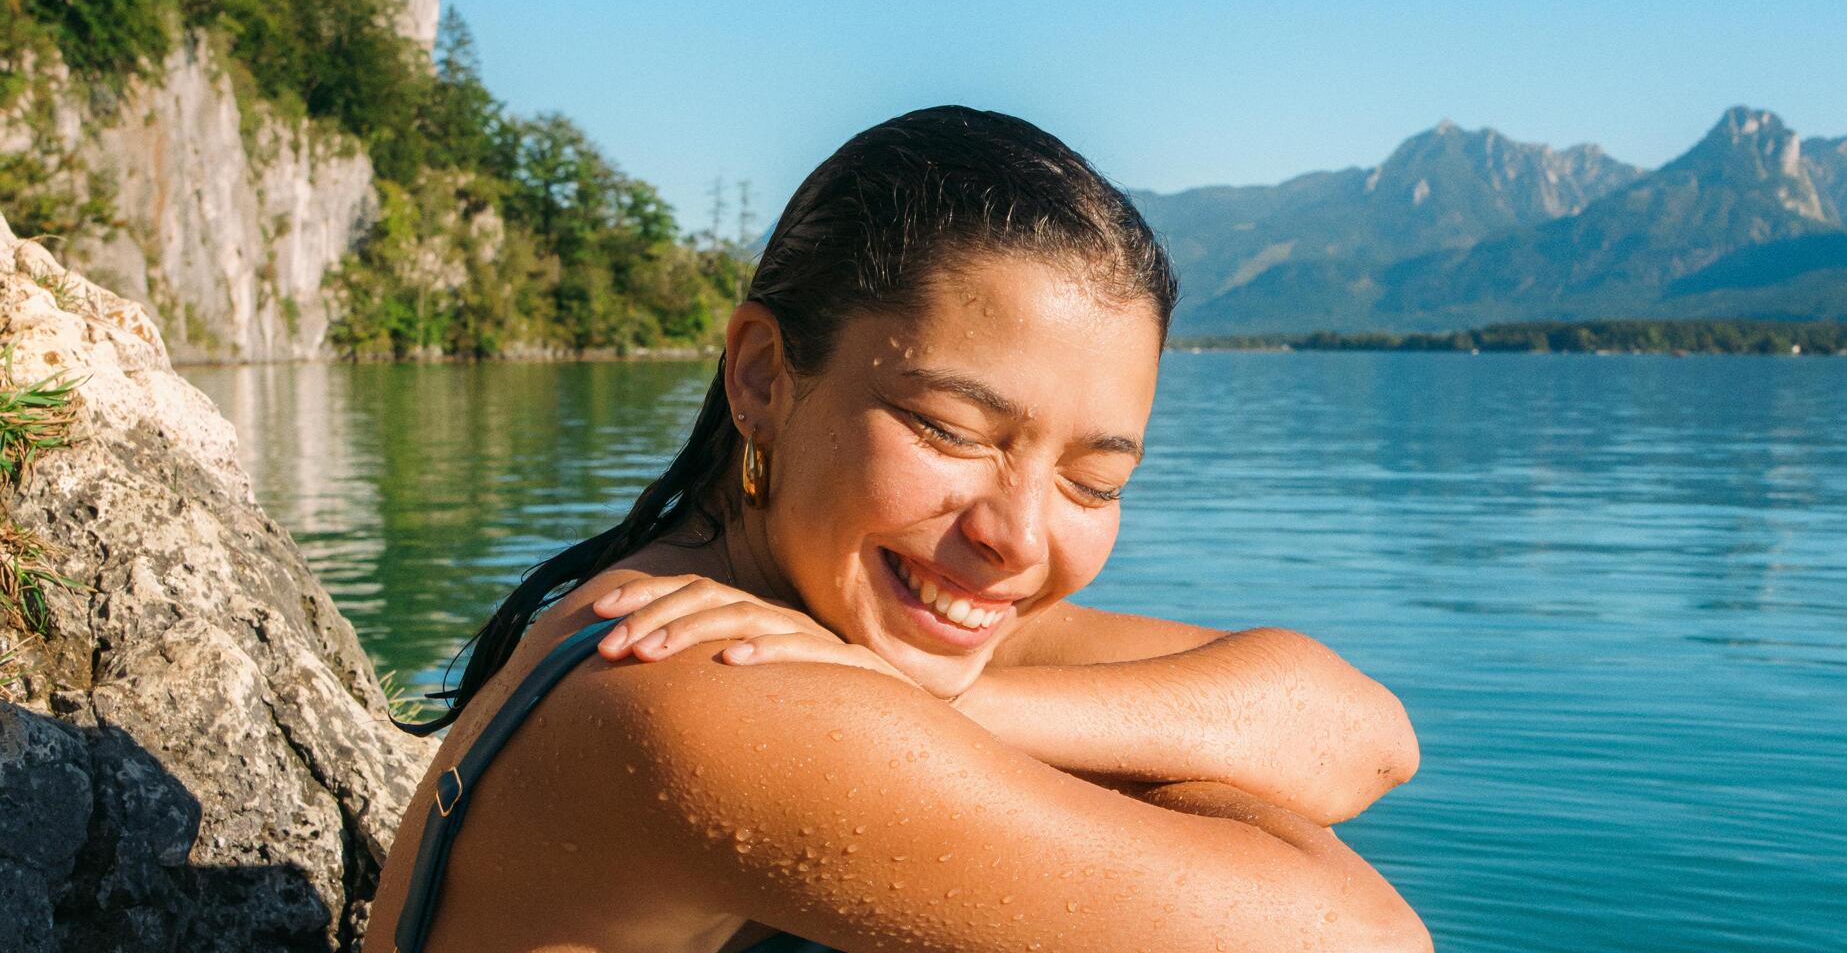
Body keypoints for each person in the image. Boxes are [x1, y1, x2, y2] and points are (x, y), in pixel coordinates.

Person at [365, 105, 1429, 953]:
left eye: (1093, 482)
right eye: (949, 431)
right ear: (762, 376)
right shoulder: (704, 691)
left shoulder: (824, 611)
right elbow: (1366, 938)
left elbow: (1363, 737)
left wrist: (949, 701)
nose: (1018, 539)